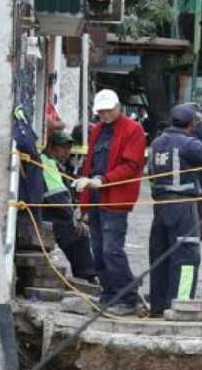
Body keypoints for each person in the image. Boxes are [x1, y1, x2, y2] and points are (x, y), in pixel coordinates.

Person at [74, 89, 147, 316]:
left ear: (118, 107)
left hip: (114, 199)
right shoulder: (97, 131)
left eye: (108, 111)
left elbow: (131, 166)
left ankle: (127, 298)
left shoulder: (133, 130)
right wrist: (84, 204)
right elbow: (90, 164)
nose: (104, 115)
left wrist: (102, 180)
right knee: (98, 248)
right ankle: (108, 294)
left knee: (111, 250)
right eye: (101, 112)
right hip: (96, 196)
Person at [146, 105, 202, 317]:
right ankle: (181, 305)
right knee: (187, 257)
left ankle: (158, 307)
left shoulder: (157, 142)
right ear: (192, 123)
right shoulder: (190, 143)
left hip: (160, 208)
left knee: (160, 256)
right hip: (183, 207)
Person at [39, 130, 97, 282]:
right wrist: (74, 218)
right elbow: (57, 197)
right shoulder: (47, 162)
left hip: (52, 212)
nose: (66, 152)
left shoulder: (60, 165)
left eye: (68, 148)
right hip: (47, 214)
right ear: (51, 147)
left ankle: (88, 274)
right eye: (62, 147)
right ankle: (87, 276)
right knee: (79, 234)